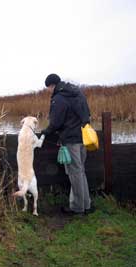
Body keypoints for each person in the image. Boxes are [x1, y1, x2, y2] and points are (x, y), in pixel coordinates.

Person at [41, 73, 94, 215]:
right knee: (80, 171)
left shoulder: (59, 98)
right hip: (83, 137)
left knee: (74, 173)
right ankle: (86, 204)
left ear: (52, 85)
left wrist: (45, 132)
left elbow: (56, 122)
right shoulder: (77, 92)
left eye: (48, 88)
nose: (48, 91)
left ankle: (77, 208)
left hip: (71, 139)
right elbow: (87, 114)